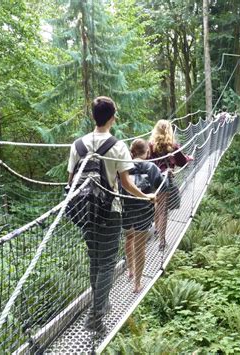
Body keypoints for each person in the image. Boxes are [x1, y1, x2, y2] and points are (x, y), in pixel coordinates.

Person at [67, 96, 155, 333]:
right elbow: (126, 183)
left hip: (85, 212)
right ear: (113, 117)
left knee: (95, 261)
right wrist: (146, 197)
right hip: (110, 212)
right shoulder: (118, 145)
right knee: (107, 264)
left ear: (93, 116)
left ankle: (101, 304)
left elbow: (70, 182)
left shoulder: (77, 145)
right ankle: (95, 317)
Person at [120, 139, 165, 293]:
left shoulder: (123, 165)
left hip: (126, 208)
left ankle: (131, 270)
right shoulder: (151, 166)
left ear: (132, 152)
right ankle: (137, 283)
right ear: (147, 152)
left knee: (129, 238)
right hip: (144, 210)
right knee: (140, 246)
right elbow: (162, 186)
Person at [148, 119, 192, 249]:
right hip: (165, 179)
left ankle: (156, 229)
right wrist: (189, 158)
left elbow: (147, 160)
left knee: (158, 203)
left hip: (153, 179)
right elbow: (182, 162)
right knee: (163, 210)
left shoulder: (150, 145)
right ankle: (162, 241)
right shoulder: (173, 146)